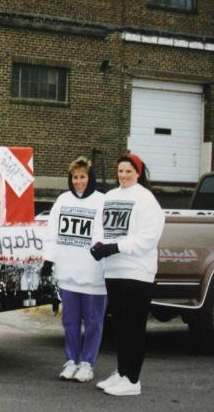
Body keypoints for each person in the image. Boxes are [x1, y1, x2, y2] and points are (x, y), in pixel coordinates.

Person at [89, 153, 165, 397]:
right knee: (120, 327)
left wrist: (115, 247)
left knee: (133, 326)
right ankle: (122, 373)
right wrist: (98, 245)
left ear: (138, 173)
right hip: (114, 270)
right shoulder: (110, 197)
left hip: (137, 272)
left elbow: (147, 238)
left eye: (128, 172)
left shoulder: (146, 199)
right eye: (120, 171)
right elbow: (98, 226)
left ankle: (133, 380)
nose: (123, 176)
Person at [41, 157, 106, 382]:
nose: (78, 182)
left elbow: (103, 234)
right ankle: (71, 360)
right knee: (70, 321)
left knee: (93, 322)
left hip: (93, 274)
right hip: (68, 273)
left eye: (83, 177)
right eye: (75, 177)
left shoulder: (101, 201)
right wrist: (48, 259)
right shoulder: (62, 200)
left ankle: (87, 363)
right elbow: (52, 232)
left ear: (90, 178)